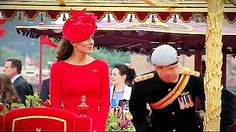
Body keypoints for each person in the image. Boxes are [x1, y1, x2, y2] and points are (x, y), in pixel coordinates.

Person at [49, 9, 110, 131]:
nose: (91, 42)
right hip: (68, 126)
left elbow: (105, 103)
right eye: (86, 38)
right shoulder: (58, 68)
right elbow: (55, 104)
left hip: (94, 127)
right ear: (73, 42)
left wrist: (98, 128)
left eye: (91, 37)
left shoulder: (101, 66)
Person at [129, 44, 206, 132]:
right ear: (157, 69)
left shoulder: (192, 79)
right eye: (169, 70)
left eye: (174, 67)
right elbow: (137, 115)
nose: (174, 72)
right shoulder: (143, 84)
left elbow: (212, 105)